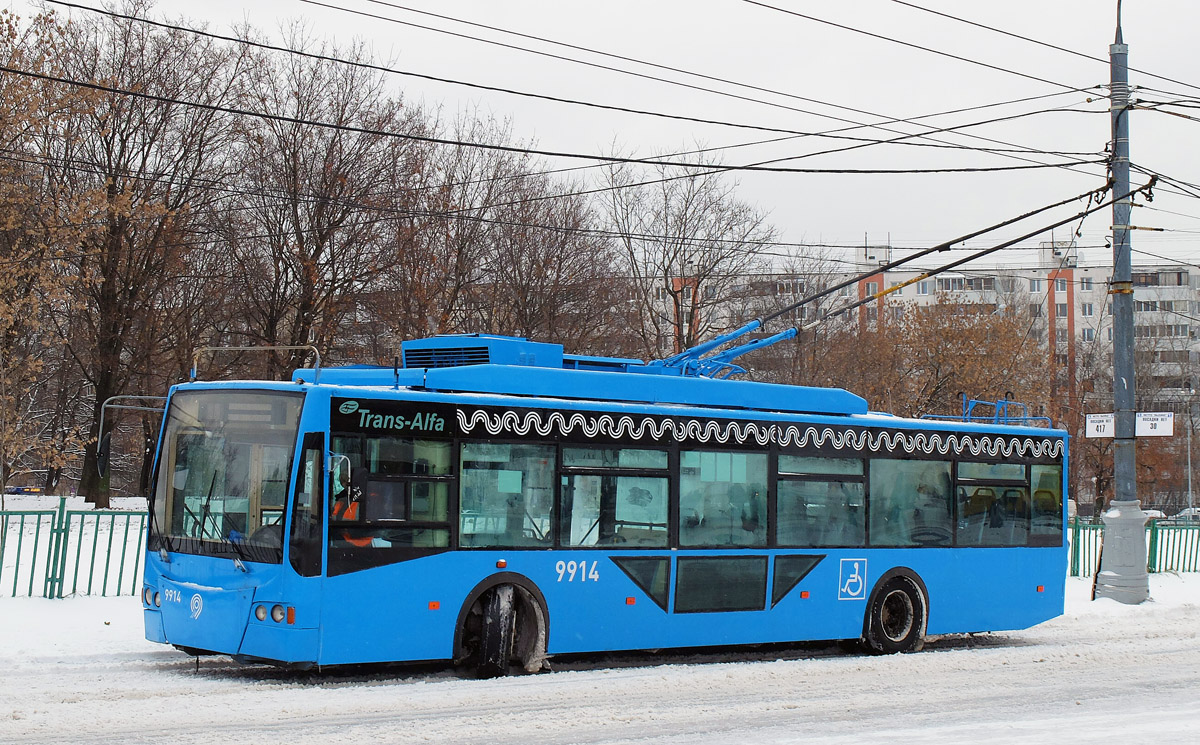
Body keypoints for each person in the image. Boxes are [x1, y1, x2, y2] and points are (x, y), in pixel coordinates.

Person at [332, 467, 371, 547]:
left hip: (350, 539)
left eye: (346, 481)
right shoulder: (368, 495)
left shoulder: (344, 500)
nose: (345, 484)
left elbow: (335, 518)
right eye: (343, 481)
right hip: (365, 539)